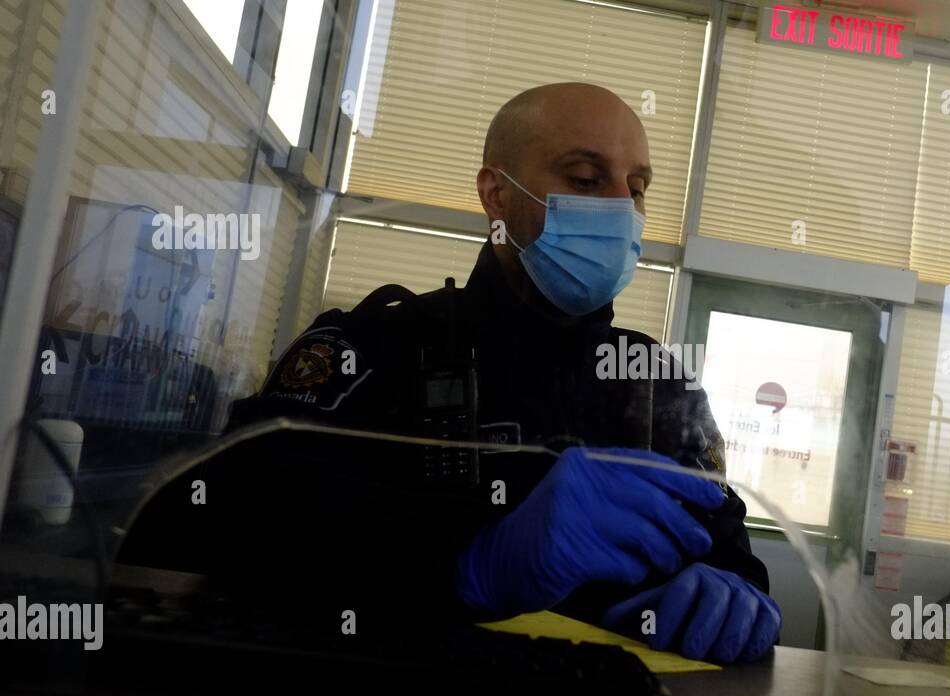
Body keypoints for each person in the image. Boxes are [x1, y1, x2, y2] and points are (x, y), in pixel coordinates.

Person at [129, 83, 780, 665]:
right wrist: (470, 562)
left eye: (637, 188)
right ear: (497, 195)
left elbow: (727, 550)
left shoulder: (659, 383)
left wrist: (739, 596)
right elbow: (199, 520)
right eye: (586, 178)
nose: (622, 208)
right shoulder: (382, 342)